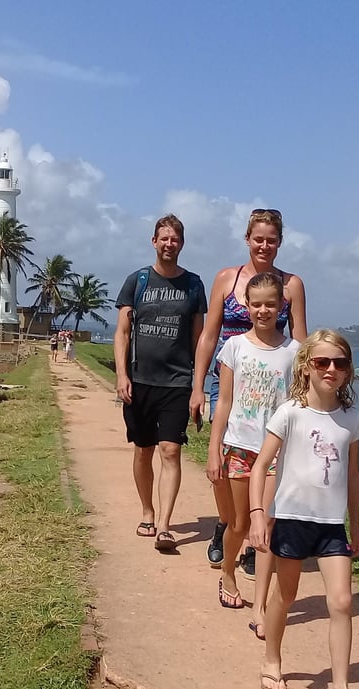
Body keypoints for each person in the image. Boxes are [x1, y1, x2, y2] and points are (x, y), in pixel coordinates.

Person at [247, 330, 359, 689]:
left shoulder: (351, 419)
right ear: (306, 367)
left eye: (340, 363)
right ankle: (272, 660)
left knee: (342, 602)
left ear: (349, 371)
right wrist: (257, 514)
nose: (331, 370)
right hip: (292, 521)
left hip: (331, 526)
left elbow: (352, 476)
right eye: (322, 362)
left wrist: (354, 525)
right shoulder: (290, 413)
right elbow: (260, 466)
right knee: (285, 597)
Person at [192, 209, 308, 582]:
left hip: (274, 385)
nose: (264, 245)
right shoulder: (227, 278)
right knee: (224, 471)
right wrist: (197, 387)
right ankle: (228, 525)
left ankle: (254, 537)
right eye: (258, 238)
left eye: (271, 239)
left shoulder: (292, 285)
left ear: (279, 242)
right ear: (247, 239)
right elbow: (210, 335)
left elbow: (301, 341)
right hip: (226, 377)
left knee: (268, 465)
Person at [206, 272, 299, 611]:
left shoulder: (295, 352)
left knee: (269, 524)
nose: (263, 311)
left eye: (270, 305)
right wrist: (214, 450)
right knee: (239, 523)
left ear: (281, 306)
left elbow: (298, 404)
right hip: (238, 447)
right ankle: (228, 572)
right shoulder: (233, 347)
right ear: (246, 305)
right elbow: (225, 402)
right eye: (256, 304)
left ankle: (261, 603)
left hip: (275, 452)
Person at [114, 214, 207, 551]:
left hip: (177, 382)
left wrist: (199, 387)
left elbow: (199, 340)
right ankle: (147, 511)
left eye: (175, 239)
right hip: (139, 382)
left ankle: (165, 525)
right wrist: (122, 375)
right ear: (154, 241)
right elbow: (122, 333)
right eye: (164, 238)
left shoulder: (194, 285)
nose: (169, 244)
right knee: (144, 451)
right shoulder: (136, 281)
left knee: (170, 450)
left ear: (182, 244)